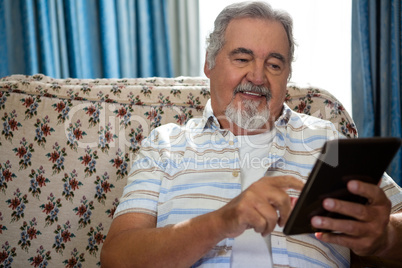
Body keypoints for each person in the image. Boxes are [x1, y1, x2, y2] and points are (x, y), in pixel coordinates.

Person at [100, 1, 402, 267]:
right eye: (242, 59)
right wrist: (222, 221)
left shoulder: (328, 140)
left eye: (273, 64)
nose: (258, 76)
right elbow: (117, 257)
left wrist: (386, 235)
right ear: (209, 62)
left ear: (287, 75)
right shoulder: (165, 145)